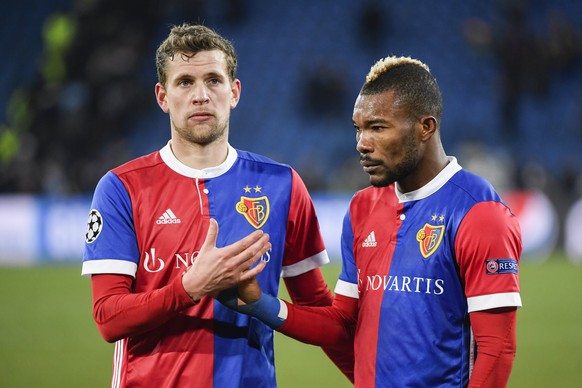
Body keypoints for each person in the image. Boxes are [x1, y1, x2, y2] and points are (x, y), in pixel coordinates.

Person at [221, 56, 523, 387]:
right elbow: (340, 324)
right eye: (358, 128)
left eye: (377, 127)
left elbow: (497, 350)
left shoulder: (479, 213)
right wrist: (258, 303)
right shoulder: (362, 207)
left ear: (425, 127)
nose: (361, 144)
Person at [82, 23, 352, 388]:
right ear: (162, 96)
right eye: (184, 83)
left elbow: (322, 315)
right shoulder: (122, 188)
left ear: (234, 91)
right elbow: (108, 319)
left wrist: (368, 379)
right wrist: (189, 287)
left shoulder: (281, 185)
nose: (200, 95)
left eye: (213, 80)